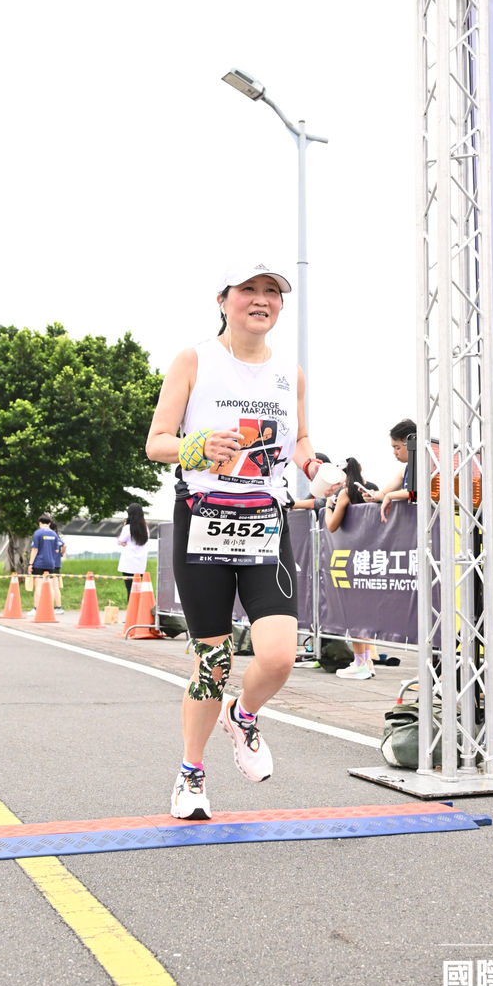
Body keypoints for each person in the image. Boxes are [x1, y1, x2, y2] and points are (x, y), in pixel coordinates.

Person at [146, 261, 333, 820]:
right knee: (213, 660)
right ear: (223, 300)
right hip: (203, 518)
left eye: (271, 291)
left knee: (277, 657)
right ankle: (191, 773)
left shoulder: (290, 374)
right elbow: (157, 442)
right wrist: (198, 446)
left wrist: (315, 467)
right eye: (248, 289)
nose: (261, 299)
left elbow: (299, 439)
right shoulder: (194, 360)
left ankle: (243, 714)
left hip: (265, 522)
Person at [325, 457, 379, 679]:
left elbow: (332, 525)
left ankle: (360, 663)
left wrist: (328, 507)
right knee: (364, 612)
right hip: (371, 555)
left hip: (351, 555)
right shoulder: (372, 489)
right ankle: (366, 662)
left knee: (355, 613)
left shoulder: (346, 493)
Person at [363, 418, 416, 522]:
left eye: (397, 448)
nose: (394, 452)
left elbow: (416, 494)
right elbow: (383, 494)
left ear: (412, 443)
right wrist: (372, 495)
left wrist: (390, 496)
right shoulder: (404, 470)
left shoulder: (429, 465)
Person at [27, 513, 64, 614]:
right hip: (51, 563)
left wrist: (30, 564)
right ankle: (49, 608)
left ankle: (36, 609)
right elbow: (57, 550)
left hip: (39, 563)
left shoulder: (38, 533)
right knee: (51, 586)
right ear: (49, 523)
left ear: (40, 523)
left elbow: (35, 549)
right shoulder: (54, 534)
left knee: (38, 586)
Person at [117, 503, 151, 599]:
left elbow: (120, 540)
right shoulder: (145, 528)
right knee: (137, 590)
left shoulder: (127, 528)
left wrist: (123, 542)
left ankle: (131, 608)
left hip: (128, 565)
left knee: (130, 590)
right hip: (140, 565)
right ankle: (138, 608)